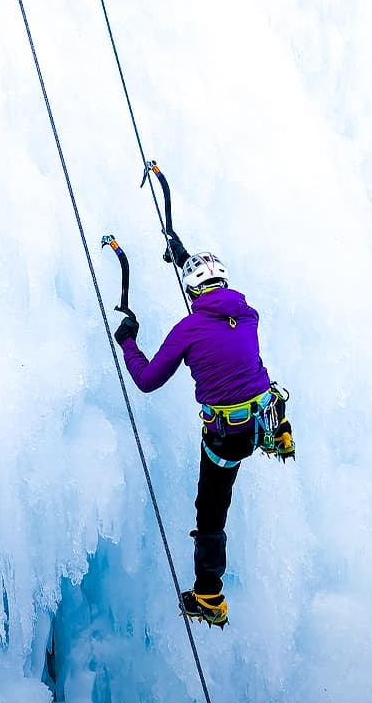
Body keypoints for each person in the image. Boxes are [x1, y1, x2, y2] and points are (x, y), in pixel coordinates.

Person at [112, 233, 293, 627]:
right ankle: (279, 435)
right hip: (258, 418)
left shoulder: (188, 330)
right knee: (258, 381)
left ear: (191, 291)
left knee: (211, 513)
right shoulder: (248, 314)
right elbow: (213, 297)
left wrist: (128, 342)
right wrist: (183, 257)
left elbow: (146, 380)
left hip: (225, 441)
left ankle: (208, 595)